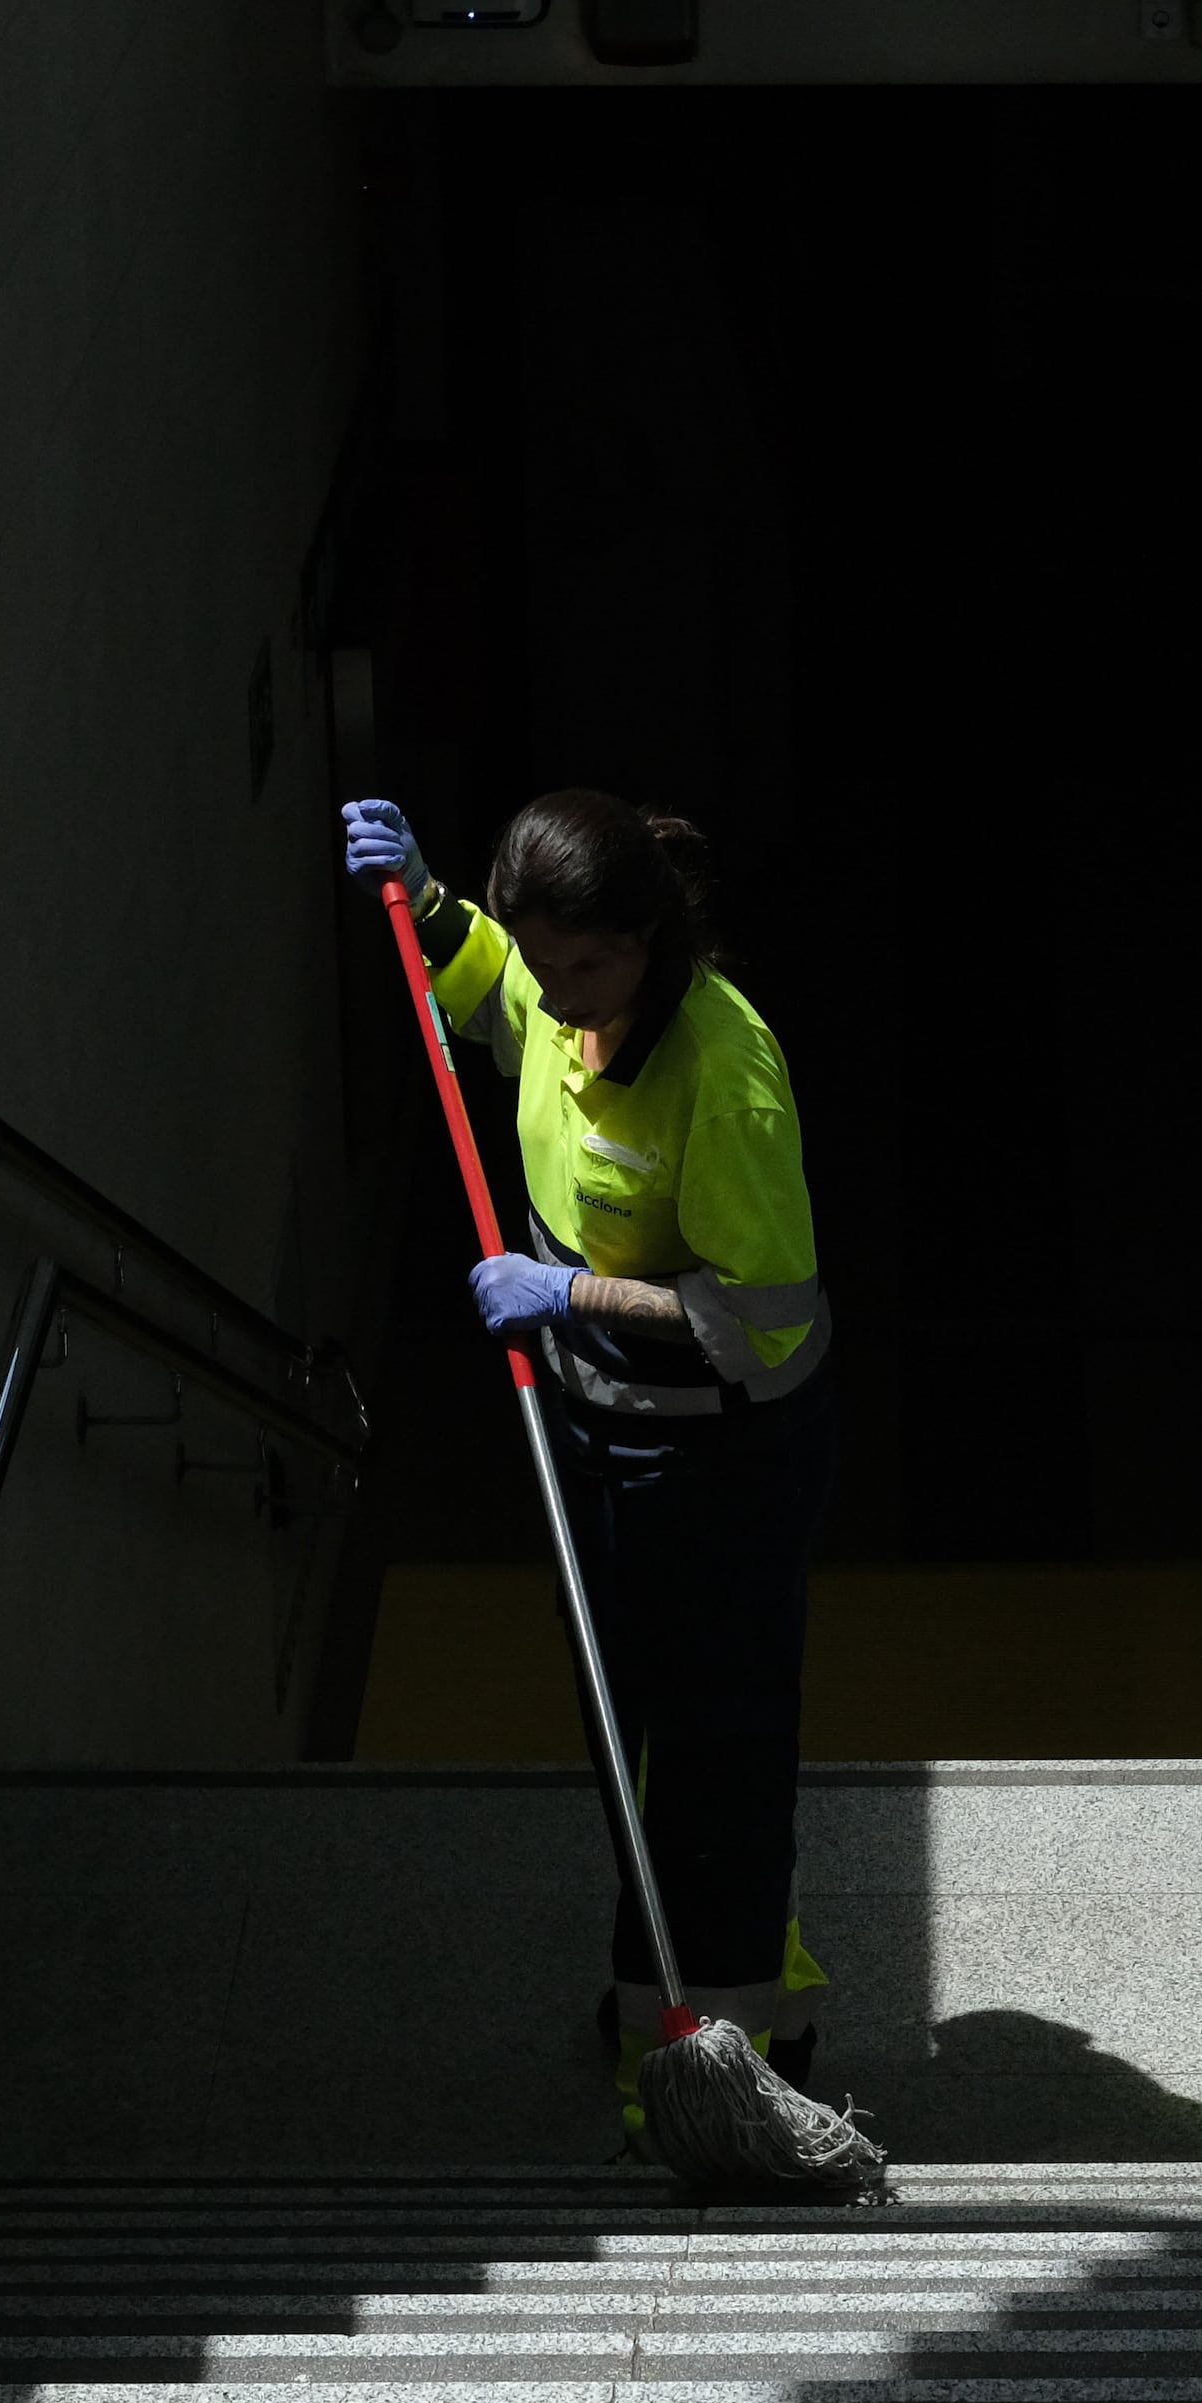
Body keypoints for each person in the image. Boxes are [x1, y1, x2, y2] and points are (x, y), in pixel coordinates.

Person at [343, 789, 839, 2134]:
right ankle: (728, 1987)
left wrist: (566, 1299)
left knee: (712, 1754)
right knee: (635, 1739)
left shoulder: (721, 1083)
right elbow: (499, 992)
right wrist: (436, 904)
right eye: (543, 955)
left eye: (590, 964)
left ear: (655, 942)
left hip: (719, 1463)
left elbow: (768, 1327)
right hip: (596, 1428)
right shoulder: (563, 997)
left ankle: (717, 2055)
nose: (558, 996)